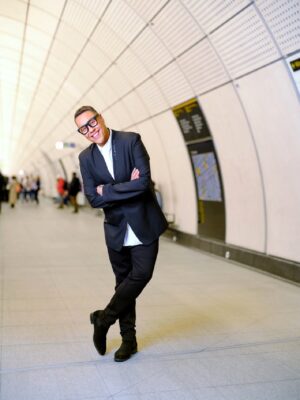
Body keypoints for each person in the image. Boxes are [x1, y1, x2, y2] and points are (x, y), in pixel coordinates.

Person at [75, 105, 168, 362]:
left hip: (144, 222)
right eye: (84, 128)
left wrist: (110, 190)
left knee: (141, 274)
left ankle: (103, 319)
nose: (90, 130)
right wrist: (122, 187)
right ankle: (129, 340)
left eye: (92, 123)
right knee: (123, 283)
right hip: (116, 229)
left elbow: (143, 182)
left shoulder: (130, 141)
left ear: (101, 118)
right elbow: (93, 198)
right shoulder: (85, 158)